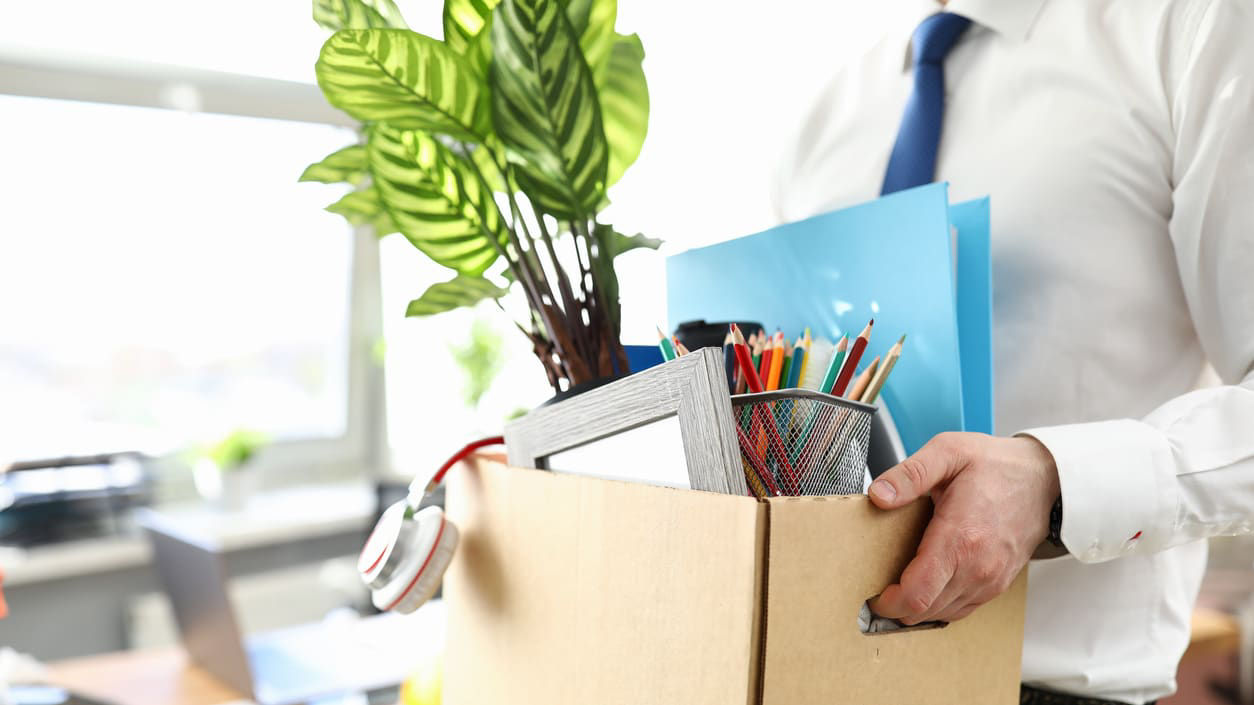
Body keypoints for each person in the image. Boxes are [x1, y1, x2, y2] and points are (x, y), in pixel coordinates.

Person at [773, 0, 1254, 703]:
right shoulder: (824, 107)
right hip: (802, 675)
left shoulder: (1192, 24)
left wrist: (1056, 484)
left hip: (1046, 686)